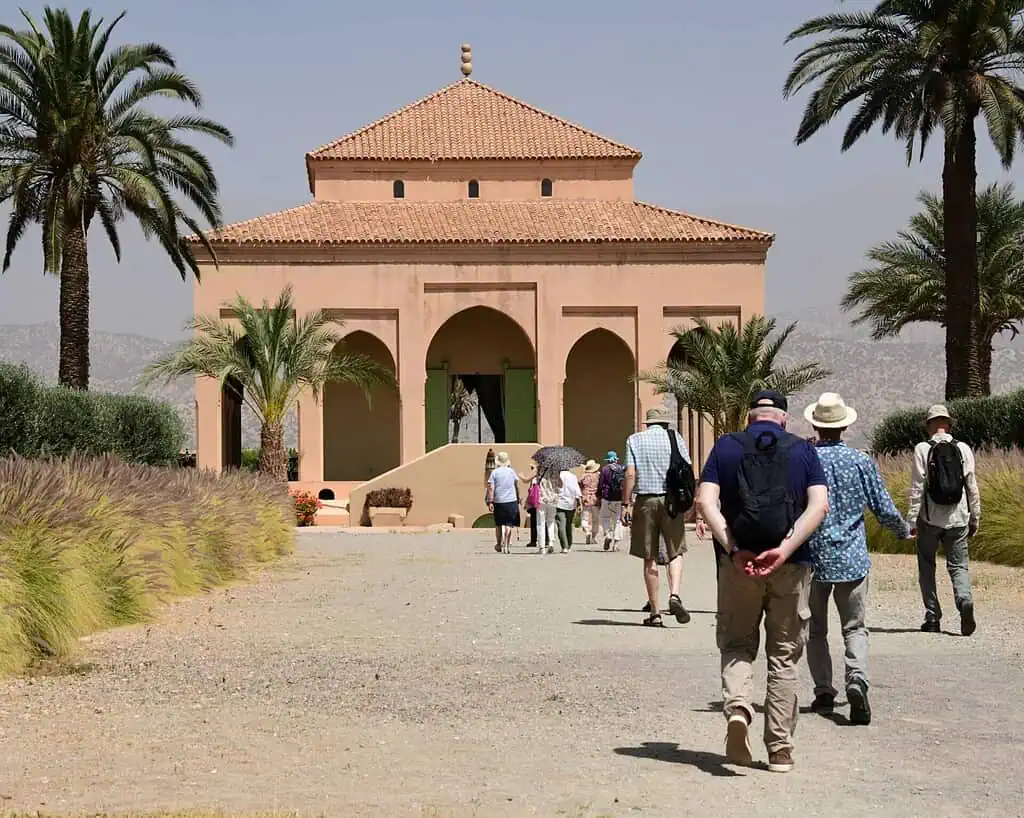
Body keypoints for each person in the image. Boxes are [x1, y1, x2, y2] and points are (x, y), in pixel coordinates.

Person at [696, 390, 829, 774]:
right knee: (784, 655)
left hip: (738, 564)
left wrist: (735, 548)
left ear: (749, 418)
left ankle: (738, 708)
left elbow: (706, 502)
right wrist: (784, 550)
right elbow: (819, 505)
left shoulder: (725, 446)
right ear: (783, 420)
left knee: (738, 643)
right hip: (790, 564)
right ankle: (780, 749)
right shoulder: (803, 450)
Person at [802, 392, 912, 726]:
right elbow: (881, 505)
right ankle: (857, 679)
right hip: (851, 556)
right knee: (854, 627)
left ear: (815, 425)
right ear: (845, 425)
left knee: (815, 628)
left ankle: (823, 690)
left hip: (813, 556)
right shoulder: (861, 461)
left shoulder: (804, 460)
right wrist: (902, 530)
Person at [907, 404, 981, 636]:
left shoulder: (922, 448)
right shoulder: (963, 448)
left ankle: (932, 617)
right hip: (959, 518)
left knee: (927, 566)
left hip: (929, 520)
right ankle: (964, 601)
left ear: (930, 425)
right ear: (948, 424)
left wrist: (911, 521)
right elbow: (972, 488)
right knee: (958, 566)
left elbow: (917, 488)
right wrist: (975, 517)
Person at [621, 407, 693, 627]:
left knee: (649, 555)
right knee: (676, 550)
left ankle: (655, 612)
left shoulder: (634, 440)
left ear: (647, 424)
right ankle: (675, 595)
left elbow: (630, 473)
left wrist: (626, 503)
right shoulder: (675, 438)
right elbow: (687, 467)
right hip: (671, 500)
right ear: (665, 424)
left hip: (646, 500)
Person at [486, 452, 520, 552]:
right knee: (509, 524)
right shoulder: (511, 471)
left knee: (499, 524)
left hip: (499, 501)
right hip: (511, 500)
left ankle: (499, 544)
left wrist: (490, 501)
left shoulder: (494, 473)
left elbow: (491, 488)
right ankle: (507, 545)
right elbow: (516, 485)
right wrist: (518, 498)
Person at [597, 450, 626, 551]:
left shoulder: (604, 469)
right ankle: (616, 543)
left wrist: (599, 496)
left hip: (607, 497)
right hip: (619, 497)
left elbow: (600, 485)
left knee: (605, 517)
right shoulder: (621, 468)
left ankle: (608, 534)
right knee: (618, 520)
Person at [555, 469, 582, 553]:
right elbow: (576, 490)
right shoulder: (573, 476)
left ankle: (564, 546)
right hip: (571, 503)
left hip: (559, 503)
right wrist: (579, 503)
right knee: (569, 524)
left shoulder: (556, 476)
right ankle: (569, 544)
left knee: (561, 525)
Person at [536, 468, 560, 555]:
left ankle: (541, 546)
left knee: (540, 523)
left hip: (542, 499)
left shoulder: (539, 471)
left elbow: (534, 483)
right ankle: (551, 542)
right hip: (553, 500)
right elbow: (561, 485)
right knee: (551, 521)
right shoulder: (556, 471)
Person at [518, 462, 540, 548]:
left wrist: (521, 475)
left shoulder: (538, 470)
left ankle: (534, 540)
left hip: (536, 499)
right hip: (544, 497)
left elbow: (526, 480)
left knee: (534, 520)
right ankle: (546, 540)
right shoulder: (549, 470)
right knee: (543, 520)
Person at [579, 460, 601, 545]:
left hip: (586, 499)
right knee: (596, 519)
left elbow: (580, 485)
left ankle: (587, 531)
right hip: (595, 499)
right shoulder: (598, 476)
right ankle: (594, 537)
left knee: (584, 518)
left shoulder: (584, 476)